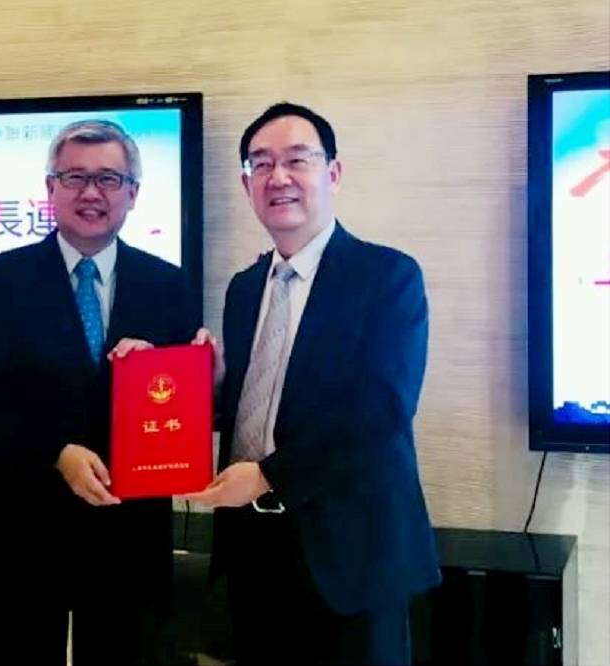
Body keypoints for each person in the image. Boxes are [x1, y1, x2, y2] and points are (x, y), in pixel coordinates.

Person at [186, 102, 441, 665]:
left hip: (351, 554)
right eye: (261, 164)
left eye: (297, 160)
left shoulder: (387, 276)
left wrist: (268, 477)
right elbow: (263, 403)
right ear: (247, 184)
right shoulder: (244, 287)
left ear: (333, 172)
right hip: (254, 551)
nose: (278, 176)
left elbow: (382, 410)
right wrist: (216, 389)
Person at [0, 119, 200, 665]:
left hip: (127, 538)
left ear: (133, 193)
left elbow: (185, 413)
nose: (91, 192)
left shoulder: (168, 285)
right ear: (50, 188)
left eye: (109, 178)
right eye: (75, 177)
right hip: (19, 530)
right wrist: (55, 453)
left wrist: (205, 378)